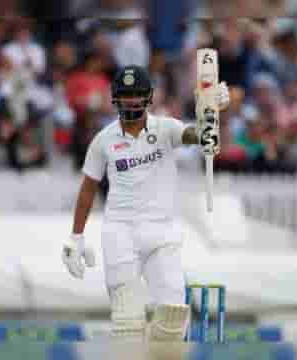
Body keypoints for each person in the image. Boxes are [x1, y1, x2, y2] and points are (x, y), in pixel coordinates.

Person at [61, 65, 229, 341]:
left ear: (148, 97)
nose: (131, 101)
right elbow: (87, 189)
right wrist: (75, 237)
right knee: (127, 322)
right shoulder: (103, 140)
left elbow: (199, 136)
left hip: (161, 231)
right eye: (126, 95)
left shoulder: (165, 128)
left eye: (137, 95)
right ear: (115, 98)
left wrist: (211, 112)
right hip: (120, 232)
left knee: (174, 317)